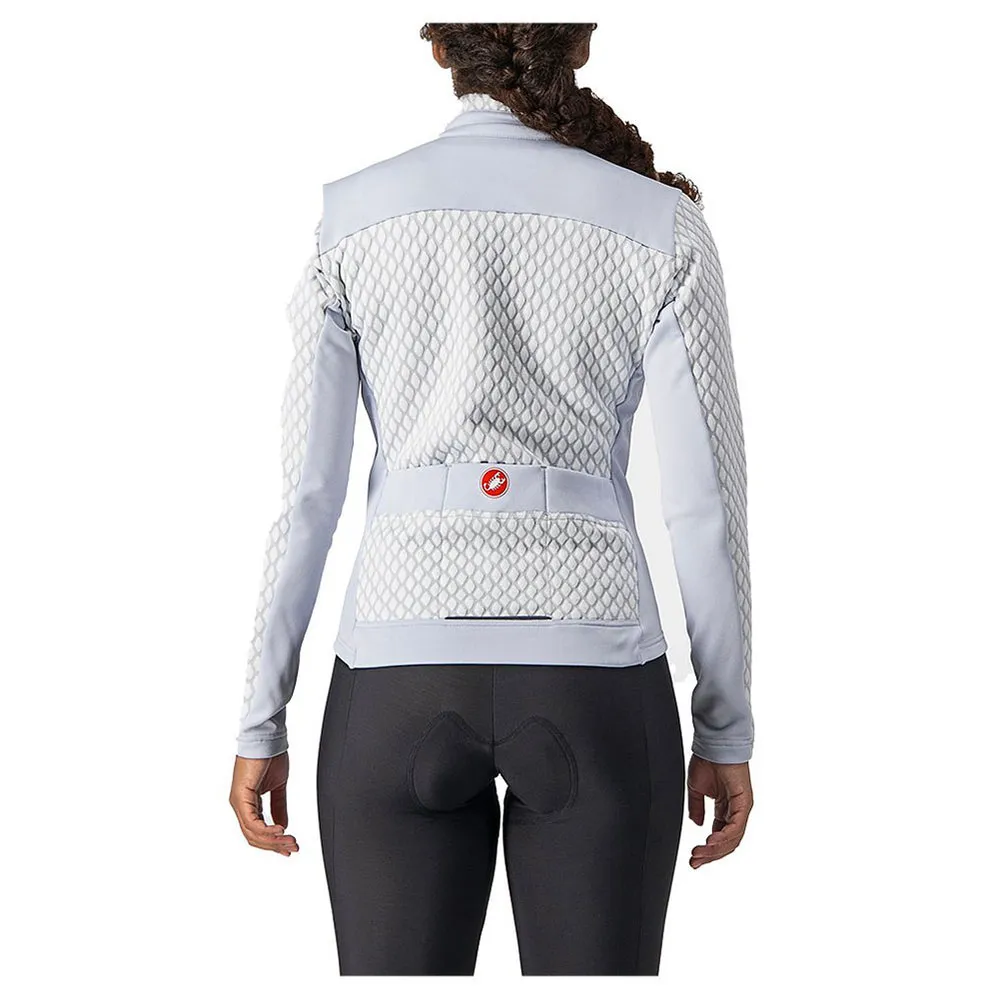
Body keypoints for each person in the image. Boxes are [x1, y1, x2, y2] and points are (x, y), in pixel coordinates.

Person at [229, 21, 754, 976]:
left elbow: (308, 496)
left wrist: (261, 715)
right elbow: (703, 506)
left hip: (395, 668)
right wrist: (725, 724)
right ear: (580, 46)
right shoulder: (662, 225)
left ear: (439, 50)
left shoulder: (351, 218)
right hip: (597, 672)